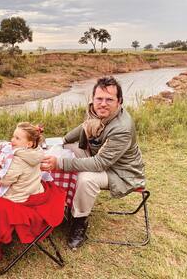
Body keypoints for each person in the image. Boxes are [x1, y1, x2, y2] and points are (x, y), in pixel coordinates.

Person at [42, 76, 145, 249]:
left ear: (119, 101)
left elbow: (99, 164)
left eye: (109, 99)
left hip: (120, 171)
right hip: (98, 156)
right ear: (93, 99)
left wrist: (60, 163)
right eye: (99, 98)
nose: (103, 103)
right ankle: (60, 202)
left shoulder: (122, 128)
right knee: (65, 147)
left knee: (86, 179)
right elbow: (84, 126)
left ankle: (79, 221)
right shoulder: (96, 111)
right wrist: (62, 140)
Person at [0, 122, 45, 203]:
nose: (12, 140)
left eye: (17, 138)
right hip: (33, 191)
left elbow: (5, 181)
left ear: (29, 144)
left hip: (18, 197)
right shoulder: (37, 152)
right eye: (13, 136)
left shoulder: (18, 160)